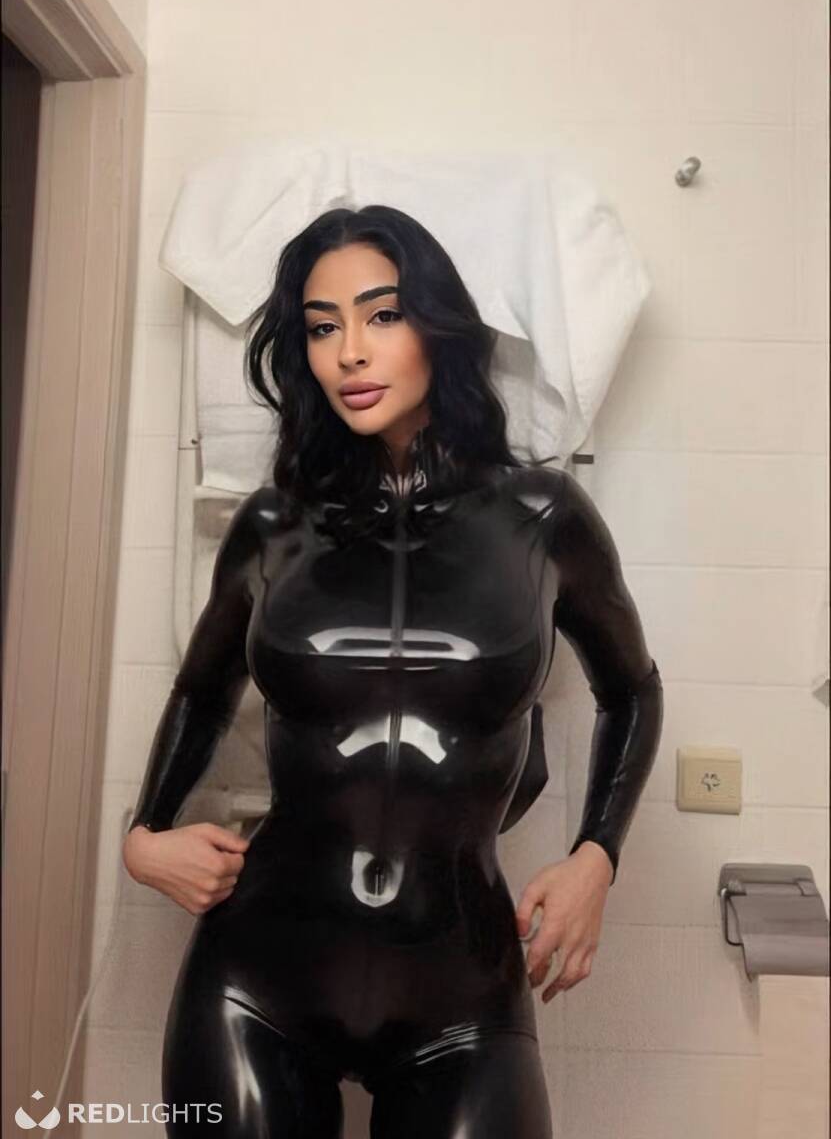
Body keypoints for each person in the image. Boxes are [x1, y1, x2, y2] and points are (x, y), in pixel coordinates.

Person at [122, 204, 663, 1138]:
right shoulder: (273, 525)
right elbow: (201, 690)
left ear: (437, 328)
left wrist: (596, 857)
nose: (348, 353)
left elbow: (632, 690)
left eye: (381, 315)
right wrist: (144, 836)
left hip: (461, 991)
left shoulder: (542, 517)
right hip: (256, 983)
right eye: (321, 327)